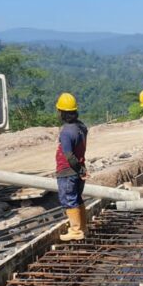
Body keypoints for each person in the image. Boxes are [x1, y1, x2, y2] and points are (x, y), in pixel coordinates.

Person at [54, 92, 89, 241]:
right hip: (79, 167)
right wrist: (81, 170)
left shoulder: (66, 132)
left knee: (69, 199)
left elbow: (69, 155)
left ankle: (75, 231)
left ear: (62, 112)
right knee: (77, 198)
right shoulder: (81, 127)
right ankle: (82, 227)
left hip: (68, 171)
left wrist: (79, 170)